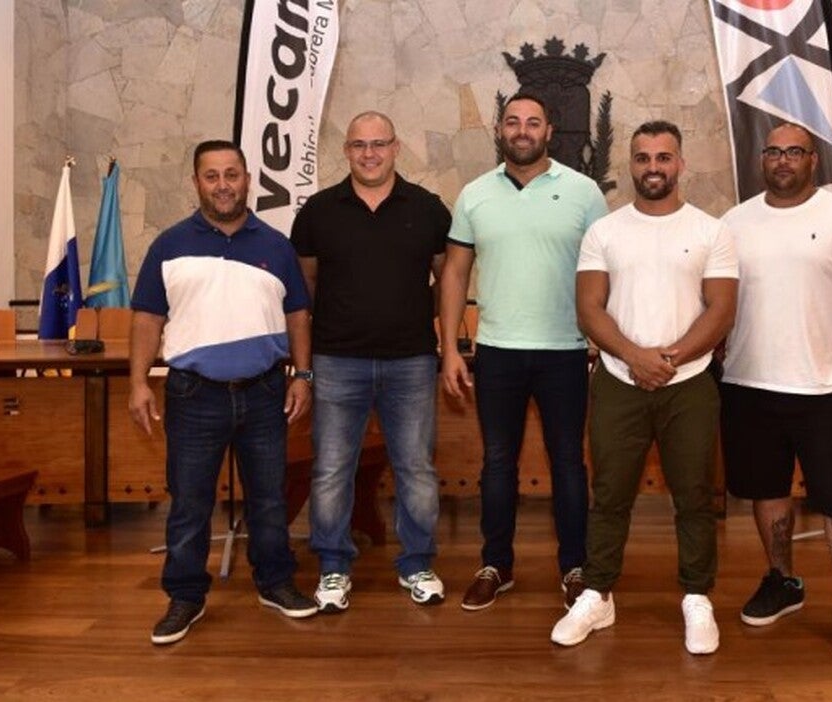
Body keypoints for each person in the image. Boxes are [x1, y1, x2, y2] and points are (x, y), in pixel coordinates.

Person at [550, 120, 737, 655]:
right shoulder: (605, 232)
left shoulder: (711, 230)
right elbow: (589, 308)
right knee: (609, 493)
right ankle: (597, 594)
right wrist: (636, 357)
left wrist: (668, 359)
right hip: (618, 380)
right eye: (643, 157)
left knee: (695, 495)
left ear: (680, 163)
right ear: (630, 164)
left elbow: (721, 310)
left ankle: (696, 597)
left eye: (663, 157)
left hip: (690, 383)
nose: (653, 167)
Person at [718, 122, 832, 667]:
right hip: (750, 383)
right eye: (773, 151)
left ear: (813, 160)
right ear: (761, 159)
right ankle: (782, 580)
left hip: (827, 388)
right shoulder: (733, 223)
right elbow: (716, 299)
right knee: (766, 491)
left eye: (794, 151)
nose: (782, 160)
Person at [130, 140, 319, 645]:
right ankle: (185, 597)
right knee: (190, 503)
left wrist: (303, 376)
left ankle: (275, 583)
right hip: (194, 395)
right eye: (211, 176)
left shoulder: (276, 246)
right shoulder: (168, 245)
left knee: (270, 499)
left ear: (247, 179)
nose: (223, 185)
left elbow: (298, 315)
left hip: (264, 393)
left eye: (231, 174)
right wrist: (138, 382)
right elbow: (147, 318)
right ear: (196, 182)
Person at [438, 93, 609, 611]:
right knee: (497, 463)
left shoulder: (584, 192)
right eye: (513, 122)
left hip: (565, 351)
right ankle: (496, 565)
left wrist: (604, 338)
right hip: (497, 352)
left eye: (533, 122)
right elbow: (455, 273)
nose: (522, 130)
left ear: (549, 131)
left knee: (569, 463)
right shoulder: (474, 195)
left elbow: (605, 269)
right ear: (500, 129)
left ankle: (575, 567)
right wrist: (450, 348)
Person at [290, 112, 452, 610]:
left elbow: (448, 278)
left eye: (379, 143)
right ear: (346, 151)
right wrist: (305, 363)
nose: (369, 154)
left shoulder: (428, 209)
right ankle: (333, 568)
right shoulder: (319, 211)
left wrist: (432, 333)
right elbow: (305, 285)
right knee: (331, 470)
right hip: (337, 361)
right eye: (359, 145)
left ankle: (417, 564)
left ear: (396, 147)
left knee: (416, 468)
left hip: (412, 361)